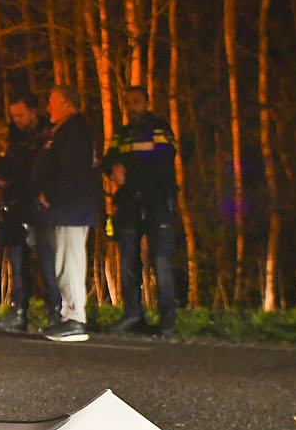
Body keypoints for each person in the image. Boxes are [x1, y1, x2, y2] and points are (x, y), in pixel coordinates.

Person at [103, 85, 182, 337]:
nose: (131, 107)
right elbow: (108, 158)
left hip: (158, 203)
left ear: (146, 103)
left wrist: (131, 172)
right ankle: (132, 315)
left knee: (161, 262)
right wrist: (113, 166)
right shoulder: (122, 133)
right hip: (128, 205)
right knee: (128, 261)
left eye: (136, 102)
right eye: (128, 103)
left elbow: (164, 162)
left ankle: (168, 321)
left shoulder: (160, 128)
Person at [30, 84, 100, 342]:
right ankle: (69, 317)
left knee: (69, 264)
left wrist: (50, 194)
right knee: (63, 264)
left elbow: (74, 171)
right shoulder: (64, 131)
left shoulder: (75, 131)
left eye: (53, 101)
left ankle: (75, 319)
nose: (48, 107)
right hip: (64, 211)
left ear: (68, 104)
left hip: (70, 211)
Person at [0, 94, 57, 331]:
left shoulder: (49, 134)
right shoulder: (12, 138)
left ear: (33, 111)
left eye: (20, 115)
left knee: (49, 264)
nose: (16, 120)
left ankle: (55, 313)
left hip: (42, 208)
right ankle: (19, 311)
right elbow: (2, 171)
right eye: (13, 116)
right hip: (17, 208)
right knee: (17, 265)